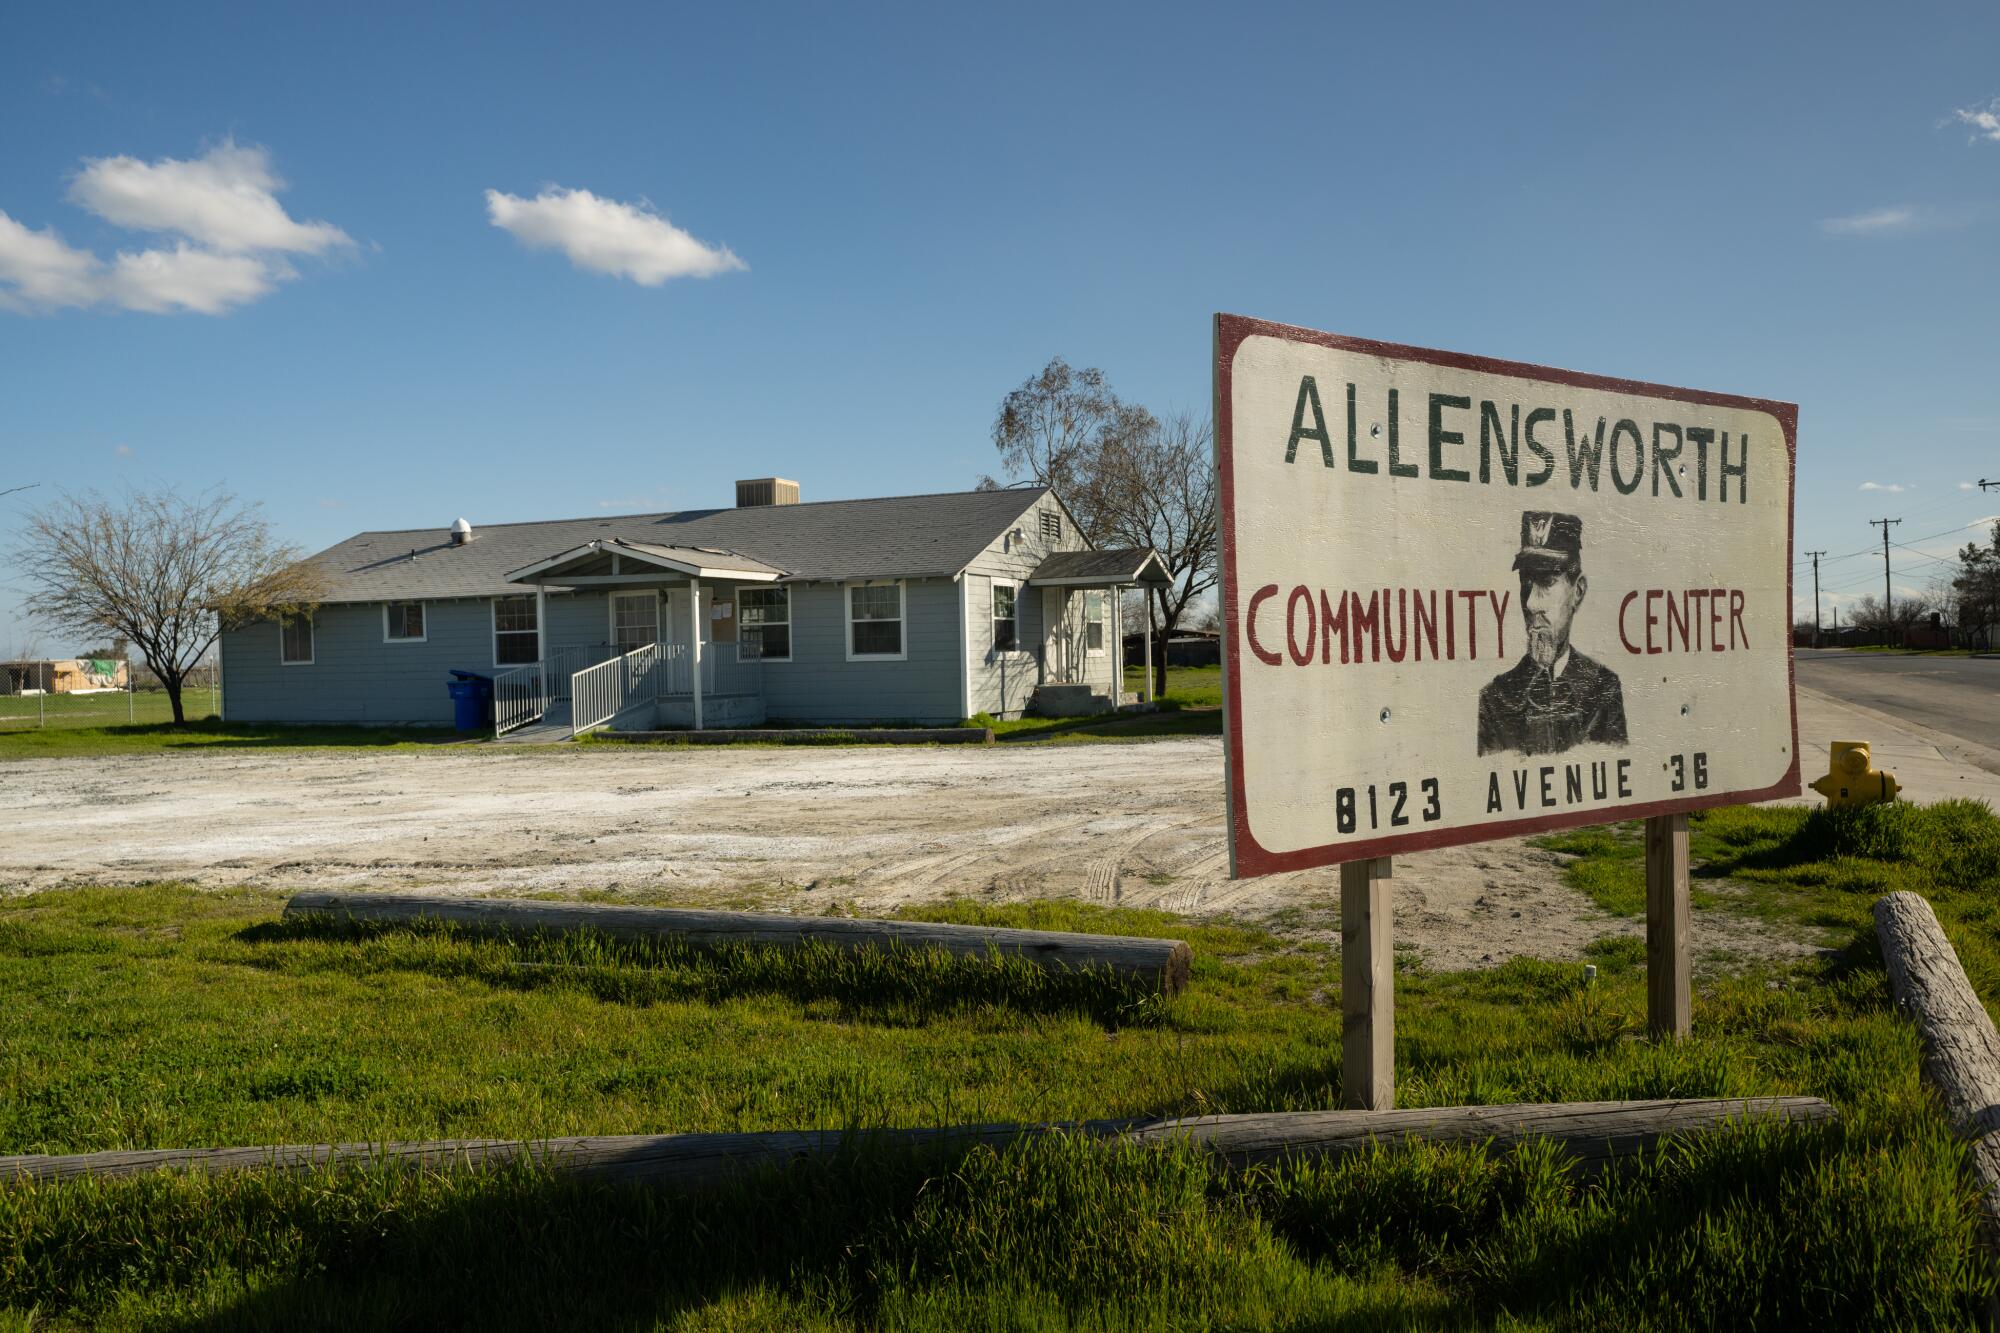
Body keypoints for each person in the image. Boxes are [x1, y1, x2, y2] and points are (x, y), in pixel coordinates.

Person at [1477, 511, 1627, 756]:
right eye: (1526, 584)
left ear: (1577, 592)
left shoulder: (1603, 690)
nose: (1531, 604)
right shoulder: (1496, 699)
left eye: (1546, 582)